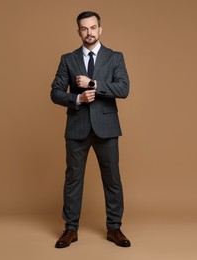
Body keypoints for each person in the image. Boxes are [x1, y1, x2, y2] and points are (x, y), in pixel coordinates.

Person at [50, 11, 131, 248]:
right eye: (84, 29)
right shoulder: (68, 59)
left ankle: (114, 228)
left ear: (100, 29)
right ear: (78, 32)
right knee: (73, 179)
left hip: (106, 127)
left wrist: (93, 84)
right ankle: (70, 229)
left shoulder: (115, 57)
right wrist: (78, 99)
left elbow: (124, 88)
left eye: (93, 27)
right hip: (77, 127)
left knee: (112, 179)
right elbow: (54, 92)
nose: (89, 33)